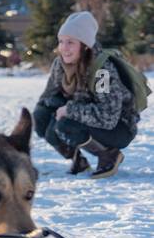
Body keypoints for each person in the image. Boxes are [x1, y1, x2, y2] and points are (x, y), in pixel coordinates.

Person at [33, 11, 143, 178]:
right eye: (61, 41)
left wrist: (69, 110)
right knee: (40, 116)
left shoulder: (102, 71)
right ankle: (78, 159)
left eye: (70, 42)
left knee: (65, 125)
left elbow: (108, 117)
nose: (64, 48)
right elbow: (47, 98)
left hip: (119, 128)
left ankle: (109, 155)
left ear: (85, 45)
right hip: (88, 118)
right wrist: (50, 116)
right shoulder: (60, 64)